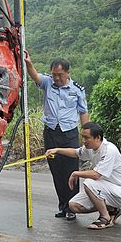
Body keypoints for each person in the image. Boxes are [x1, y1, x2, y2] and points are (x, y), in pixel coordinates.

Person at [25, 53, 89, 221]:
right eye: (54, 74)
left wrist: (86, 134)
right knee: (57, 172)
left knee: (71, 172)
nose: (56, 78)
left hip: (69, 135)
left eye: (60, 75)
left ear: (68, 73)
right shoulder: (47, 83)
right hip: (51, 133)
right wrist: (29, 64)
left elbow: (83, 112)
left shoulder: (77, 89)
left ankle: (72, 207)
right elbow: (35, 76)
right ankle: (63, 206)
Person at [45, 122, 121, 230]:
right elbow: (75, 152)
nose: (83, 141)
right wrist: (57, 150)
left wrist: (75, 173)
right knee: (73, 205)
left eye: (87, 138)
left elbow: (96, 175)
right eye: (82, 137)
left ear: (98, 138)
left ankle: (105, 218)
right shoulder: (90, 148)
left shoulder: (109, 150)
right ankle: (113, 209)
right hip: (104, 189)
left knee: (89, 183)